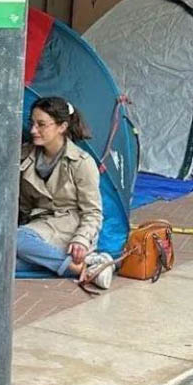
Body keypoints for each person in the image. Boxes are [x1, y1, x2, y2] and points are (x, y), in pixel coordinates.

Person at [18, 97, 114, 287]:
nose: (33, 130)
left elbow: (93, 212)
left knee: (15, 239)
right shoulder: (24, 154)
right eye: (32, 123)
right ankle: (88, 265)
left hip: (69, 225)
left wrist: (81, 239)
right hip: (39, 225)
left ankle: (77, 267)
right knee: (4, 259)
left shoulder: (81, 162)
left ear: (62, 127)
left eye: (41, 125)